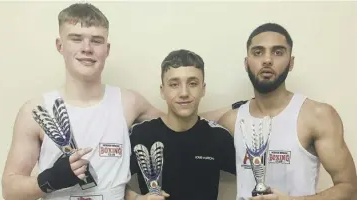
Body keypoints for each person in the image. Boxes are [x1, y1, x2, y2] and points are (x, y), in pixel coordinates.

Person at [1, 3, 164, 200]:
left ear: (107, 49)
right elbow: (10, 191)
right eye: (76, 39)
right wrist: (50, 179)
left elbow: (179, 124)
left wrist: (213, 116)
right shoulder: (36, 111)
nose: (86, 48)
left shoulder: (129, 103)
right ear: (60, 46)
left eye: (96, 41)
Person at [216, 23, 357, 200]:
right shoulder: (231, 121)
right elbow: (187, 128)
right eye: (258, 52)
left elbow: (349, 188)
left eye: (278, 52)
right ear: (246, 63)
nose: (267, 60)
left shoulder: (317, 116)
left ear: (291, 63)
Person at [124, 49, 237, 200]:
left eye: (192, 83)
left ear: (203, 89)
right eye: (174, 84)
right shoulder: (140, 135)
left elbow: (252, 176)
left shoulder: (219, 137)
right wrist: (137, 198)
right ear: (162, 91)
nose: (184, 92)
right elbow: (111, 183)